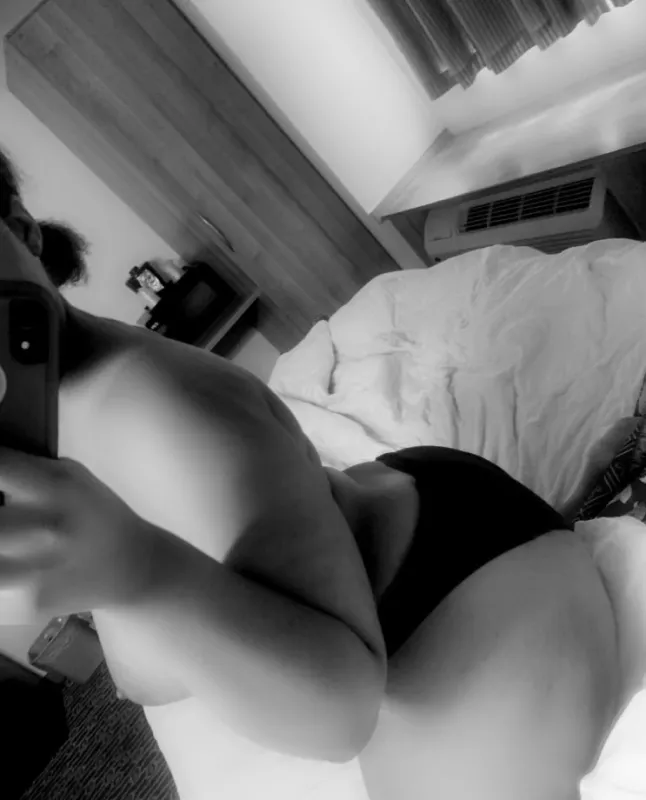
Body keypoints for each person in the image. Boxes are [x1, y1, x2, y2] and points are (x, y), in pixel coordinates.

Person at [0, 146, 633, 798]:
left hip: (455, 583)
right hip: (397, 516)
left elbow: (339, 721)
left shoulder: (161, 416)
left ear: (20, 232)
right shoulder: (39, 404)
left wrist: (137, 574)